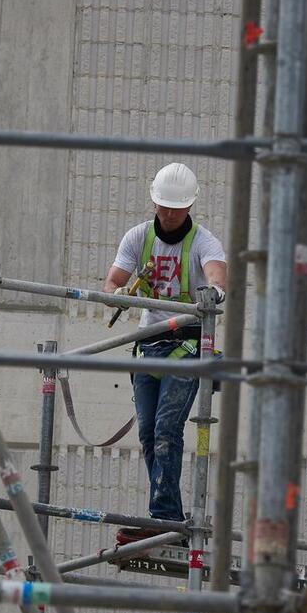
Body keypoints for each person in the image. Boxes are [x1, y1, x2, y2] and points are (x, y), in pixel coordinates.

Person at [102, 162, 227, 544]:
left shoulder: (204, 241)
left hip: (187, 345)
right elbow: (113, 281)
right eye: (164, 206)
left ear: (190, 206)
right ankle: (170, 518)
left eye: (177, 207)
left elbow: (217, 274)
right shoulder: (138, 238)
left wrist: (215, 292)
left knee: (167, 431)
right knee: (148, 433)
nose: (169, 214)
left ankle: (162, 520)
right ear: (154, 202)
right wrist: (118, 293)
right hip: (150, 345)